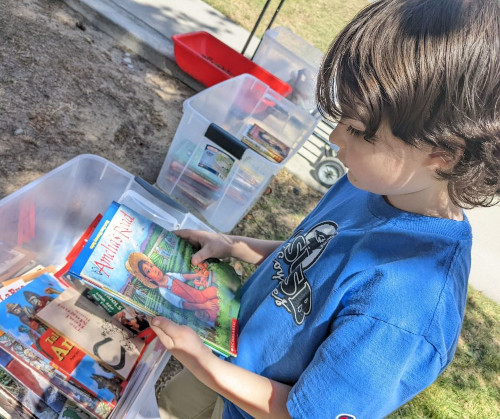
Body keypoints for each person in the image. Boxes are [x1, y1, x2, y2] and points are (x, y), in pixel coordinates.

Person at [151, 0, 500, 417]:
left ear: (442, 154)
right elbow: (317, 255)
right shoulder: (372, 184)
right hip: (227, 363)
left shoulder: (407, 313)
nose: (335, 137)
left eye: (356, 129)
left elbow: (302, 412)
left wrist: (199, 361)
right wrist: (235, 245)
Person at [125, 252, 219, 322]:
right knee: (214, 311)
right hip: (198, 305)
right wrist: (204, 306)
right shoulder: (164, 291)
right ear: (148, 279)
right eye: (148, 271)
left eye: (151, 266)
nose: (154, 270)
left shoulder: (169, 275)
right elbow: (183, 305)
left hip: (200, 294)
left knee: (215, 291)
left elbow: (183, 277)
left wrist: (197, 275)